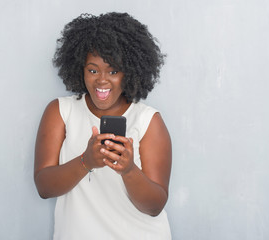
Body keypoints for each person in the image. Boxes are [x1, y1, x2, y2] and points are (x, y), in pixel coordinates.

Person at [34, 12, 172, 239]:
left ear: (129, 72)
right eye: (93, 70)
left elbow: (154, 205)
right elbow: (44, 188)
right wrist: (86, 162)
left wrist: (128, 170)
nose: (102, 80)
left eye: (113, 71)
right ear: (80, 69)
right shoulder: (61, 111)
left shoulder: (148, 120)